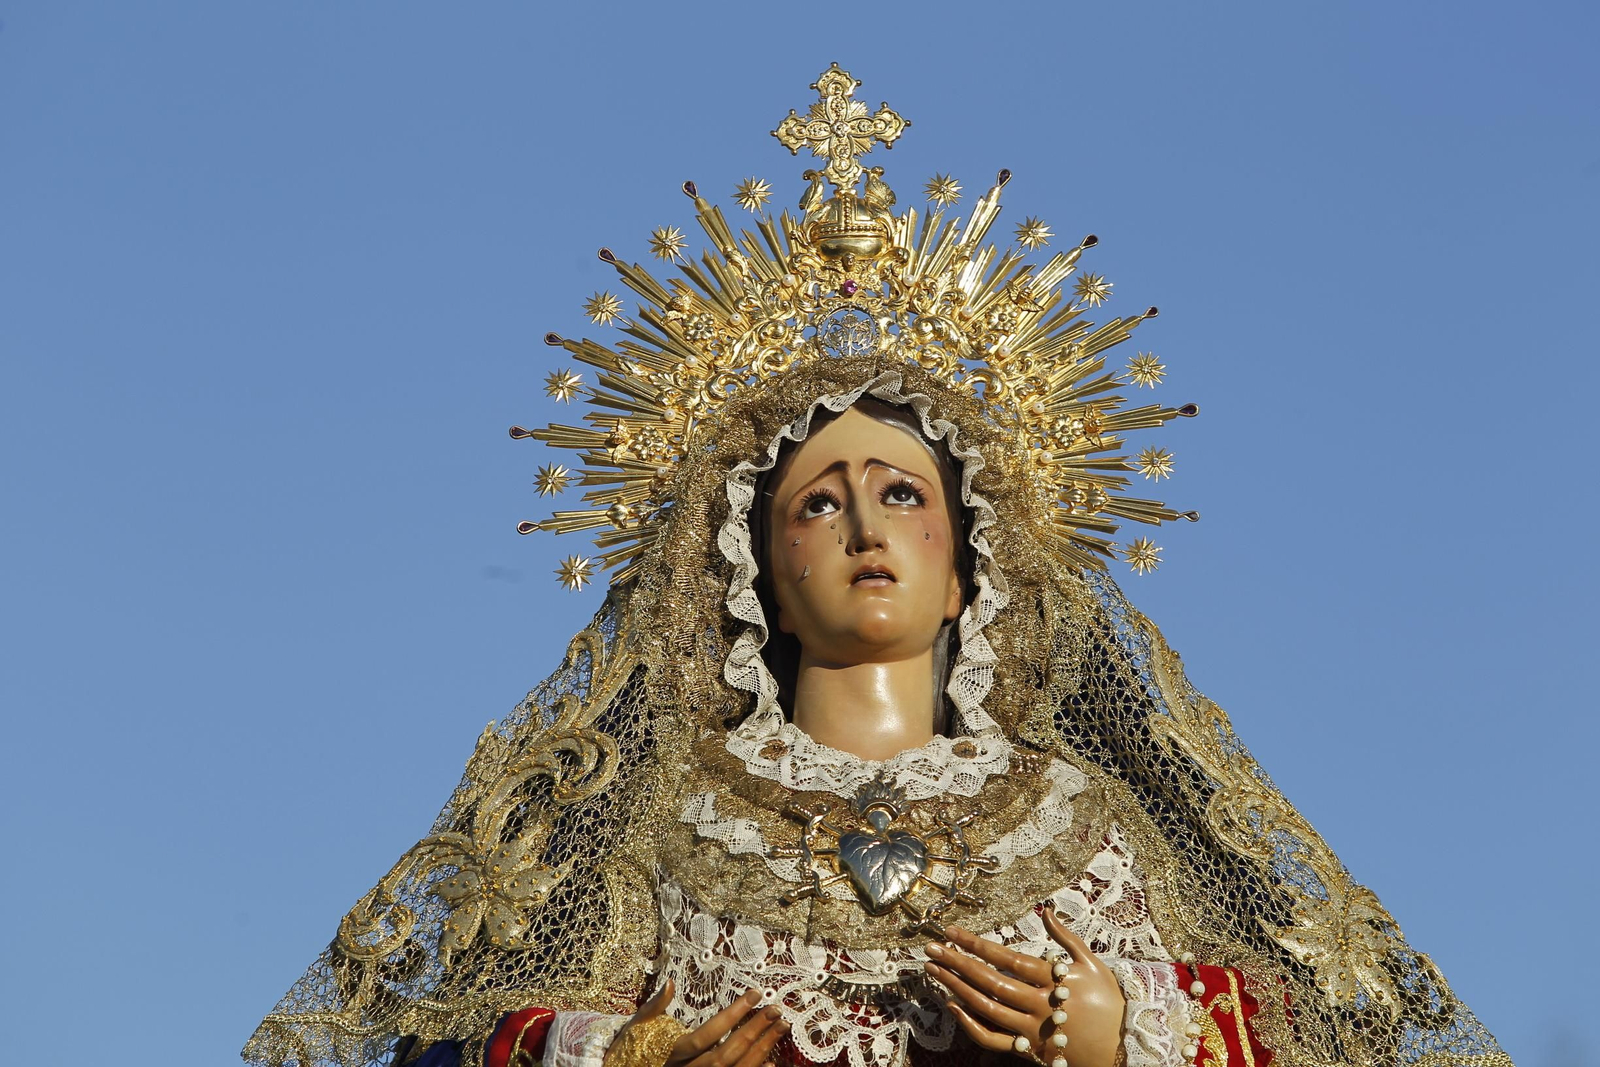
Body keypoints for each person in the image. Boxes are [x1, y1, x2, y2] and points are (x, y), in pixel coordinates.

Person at [244, 67, 1512, 1067]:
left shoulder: (1089, 828)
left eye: (904, 493)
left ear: (968, 568)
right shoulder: (657, 820)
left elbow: (1307, 1033)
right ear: (752, 569)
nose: (863, 524)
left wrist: (1126, 1037)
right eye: (817, 502)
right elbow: (467, 1032)